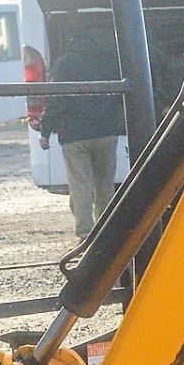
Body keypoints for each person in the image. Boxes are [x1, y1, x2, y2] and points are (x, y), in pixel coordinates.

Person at [39, 23, 126, 237]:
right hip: (106, 132)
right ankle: (106, 228)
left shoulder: (65, 63)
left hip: (75, 137)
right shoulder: (110, 62)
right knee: (105, 183)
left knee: (81, 184)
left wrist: (45, 131)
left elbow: (57, 101)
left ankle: (86, 231)